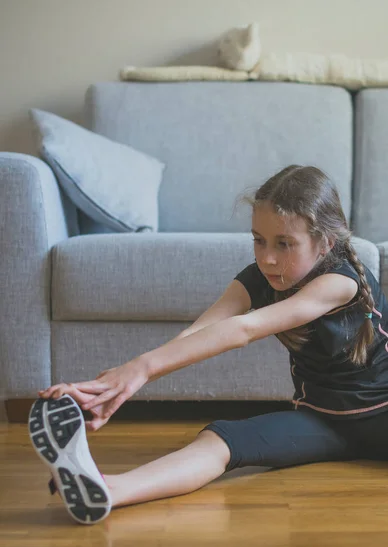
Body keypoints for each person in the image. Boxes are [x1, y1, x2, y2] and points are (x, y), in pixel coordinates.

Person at [30, 164, 388, 525]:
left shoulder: (342, 282)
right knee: (220, 440)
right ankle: (107, 490)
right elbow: (197, 334)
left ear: (325, 242)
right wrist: (112, 386)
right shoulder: (259, 278)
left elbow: (243, 329)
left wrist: (140, 369)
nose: (267, 258)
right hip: (320, 421)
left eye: (285, 244)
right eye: (258, 240)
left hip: (383, 414)